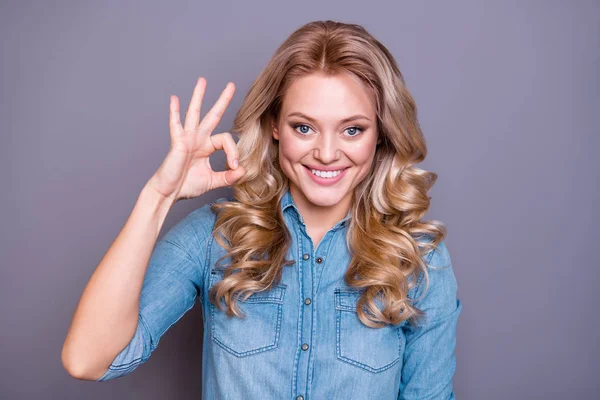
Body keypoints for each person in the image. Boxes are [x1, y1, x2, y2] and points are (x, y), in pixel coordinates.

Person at [61, 20, 462, 399]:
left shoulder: (418, 257)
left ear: (381, 133)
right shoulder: (214, 237)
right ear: (274, 125)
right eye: (303, 127)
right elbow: (88, 360)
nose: (325, 153)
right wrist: (158, 196)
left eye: (352, 129)